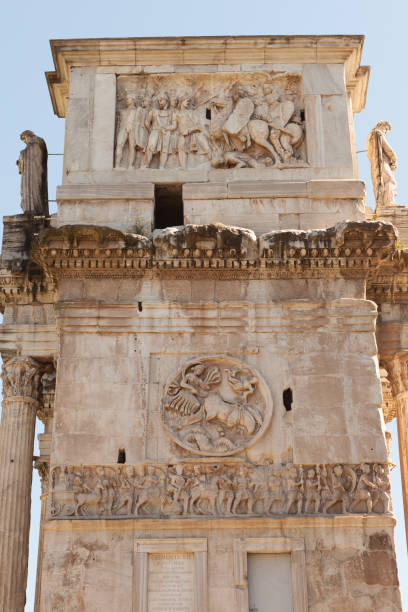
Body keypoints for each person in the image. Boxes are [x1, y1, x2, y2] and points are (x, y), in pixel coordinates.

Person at [366, 120, 397, 208]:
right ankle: (389, 203)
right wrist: (394, 159)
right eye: (385, 129)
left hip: (374, 164)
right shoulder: (378, 133)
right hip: (382, 162)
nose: (385, 132)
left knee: (379, 182)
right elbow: (388, 149)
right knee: (390, 181)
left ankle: (381, 203)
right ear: (381, 126)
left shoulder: (369, 137)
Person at [17, 130, 48, 216]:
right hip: (27, 174)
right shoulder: (30, 146)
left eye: (24, 139)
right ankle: (29, 209)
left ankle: (35, 208)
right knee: (26, 189)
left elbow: (35, 155)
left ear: (27, 135)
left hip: (34, 172)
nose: (25, 142)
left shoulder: (37, 142)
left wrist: (23, 154)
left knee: (34, 189)